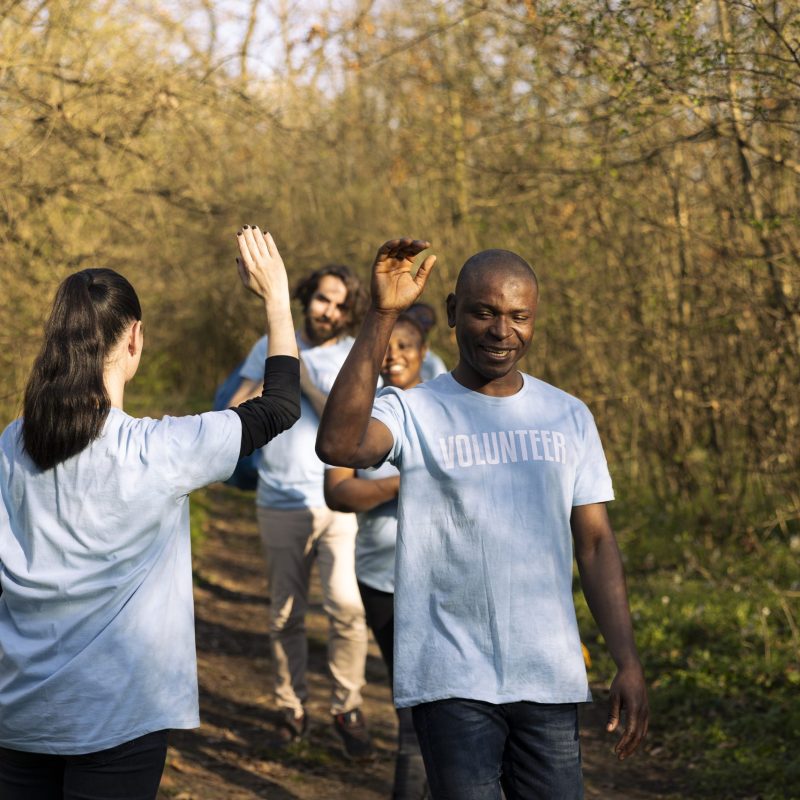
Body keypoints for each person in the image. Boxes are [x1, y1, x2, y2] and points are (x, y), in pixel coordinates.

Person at [316, 240, 649, 799]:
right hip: (449, 677)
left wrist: (628, 661)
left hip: (548, 675)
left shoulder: (567, 415)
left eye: (519, 316)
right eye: (484, 312)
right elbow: (339, 442)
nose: (502, 330)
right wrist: (381, 313)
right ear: (452, 313)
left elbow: (594, 544)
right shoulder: (413, 409)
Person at [0, 226, 300, 799]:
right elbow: (282, 405)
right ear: (134, 338)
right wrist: (277, 298)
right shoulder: (160, 450)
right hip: (116, 717)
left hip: (18, 713)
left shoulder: (13, 443)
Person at [227, 264, 374, 757]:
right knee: (285, 615)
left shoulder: (352, 356)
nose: (329, 311)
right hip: (279, 500)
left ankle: (347, 706)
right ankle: (291, 707)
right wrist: (259, 388)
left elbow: (346, 424)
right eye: (321, 300)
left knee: (347, 610)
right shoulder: (271, 341)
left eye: (338, 305)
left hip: (336, 502)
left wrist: (304, 380)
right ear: (306, 298)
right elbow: (236, 406)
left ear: (347, 312)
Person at [324, 314, 430, 800]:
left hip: (442, 580)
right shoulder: (354, 413)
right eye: (387, 345)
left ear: (424, 352)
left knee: (448, 708)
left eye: (405, 345)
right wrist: (406, 485)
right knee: (412, 710)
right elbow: (340, 494)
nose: (394, 355)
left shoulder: (443, 407)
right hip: (383, 580)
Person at [404, 302, 448, 382]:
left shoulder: (433, 364)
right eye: (414, 314)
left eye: (425, 319)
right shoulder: (383, 350)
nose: (417, 322)